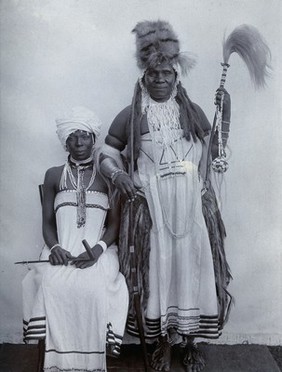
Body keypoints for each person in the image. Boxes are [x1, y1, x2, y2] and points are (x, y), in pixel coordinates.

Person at [99, 21, 232, 372]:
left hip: (191, 207)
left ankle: (190, 343)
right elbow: (107, 154)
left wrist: (224, 115)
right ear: (144, 74)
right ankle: (161, 344)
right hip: (152, 208)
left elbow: (215, 150)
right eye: (153, 72)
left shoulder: (192, 111)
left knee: (195, 269)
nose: (160, 79)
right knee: (157, 272)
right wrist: (118, 174)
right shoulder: (131, 115)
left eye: (166, 72)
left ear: (176, 76)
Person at [22, 106, 129, 372]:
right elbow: (47, 223)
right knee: (51, 283)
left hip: (101, 250)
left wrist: (98, 249)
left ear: (94, 138)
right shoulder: (53, 175)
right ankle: (59, 362)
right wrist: (55, 247)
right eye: (72, 136)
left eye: (84, 135)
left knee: (94, 288)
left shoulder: (108, 174)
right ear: (64, 141)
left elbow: (115, 224)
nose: (79, 142)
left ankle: (91, 361)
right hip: (60, 248)